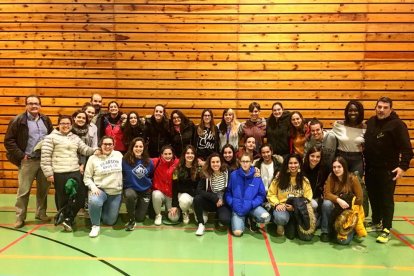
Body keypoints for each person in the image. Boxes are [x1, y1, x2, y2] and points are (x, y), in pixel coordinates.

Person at [364, 97, 413, 243]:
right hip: (371, 169)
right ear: (375, 107)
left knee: (386, 200)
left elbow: (407, 150)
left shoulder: (398, 125)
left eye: (385, 107)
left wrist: (403, 167)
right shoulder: (371, 122)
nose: (381, 110)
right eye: (379, 107)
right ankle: (376, 221)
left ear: (390, 109)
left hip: (388, 171)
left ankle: (386, 228)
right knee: (373, 197)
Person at [40, 115, 97, 232]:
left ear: (71, 125)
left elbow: (84, 149)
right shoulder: (50, 138)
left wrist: (95, 150)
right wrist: (49, 174)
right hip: (59, 172)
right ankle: (67, 219)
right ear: (58, 125)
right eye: (63, 123)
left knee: (80, 197)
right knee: (63, 198)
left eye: (68, 124)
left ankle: (66, 218)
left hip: (74, 170)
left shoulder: (75, 137)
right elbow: (45, 158)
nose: (65, 126)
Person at [4, 95, 54, 228]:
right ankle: (20, 217)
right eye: (30, 103)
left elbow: (52, 137)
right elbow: (9, 141)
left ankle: (41, 213)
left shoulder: (45, 120)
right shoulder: (18, 120)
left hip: (43, 160)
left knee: (43, 189)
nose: (34, 106)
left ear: (40, 105)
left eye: (36, 103)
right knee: (24, 191)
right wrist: (21, 155)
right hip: (28, 161)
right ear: (26, 105)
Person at [83, 136, 123, 238]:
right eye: (105, 144)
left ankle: (100, 210)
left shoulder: (119, 155)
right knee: (95, 200)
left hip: (115, 192)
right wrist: (93, 187)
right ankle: (95, 225)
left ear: (113, 145)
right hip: (100, 190)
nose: (107, 146)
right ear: (101, 145)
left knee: (109, 221)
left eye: (110, 144)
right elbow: (87, 177)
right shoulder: (93, 158)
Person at [320, 157, 364, 244]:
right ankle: (326, 231)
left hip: (348, 211)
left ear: (344, 167)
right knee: (326, 204)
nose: (336, 169)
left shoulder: (353, 178)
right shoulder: (331, 177)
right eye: (334, 167)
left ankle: (352, 229)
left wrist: (348, 206)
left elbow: (360, 199)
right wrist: (338, 200)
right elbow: (327, 194)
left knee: (342, 242)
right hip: (336, 208)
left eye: (339, 167)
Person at [267, 154, 313, 237]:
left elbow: (308, 197)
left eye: (295, 163)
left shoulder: (304, 180)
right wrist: (277, 204)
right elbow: (271, 194)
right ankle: (280, 224)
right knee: (281, 219)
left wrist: (295, 207)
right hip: (282, 207)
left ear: (299, 164)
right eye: (290, 163)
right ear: (287, 165)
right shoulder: (279, 178)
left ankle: (294, 224)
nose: (293, 165)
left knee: (293, 235)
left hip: (297, 209)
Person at [226, 153, 270, 236]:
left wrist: (252, 204)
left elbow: (261, 195)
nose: (245, 163)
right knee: (237, 233)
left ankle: (251, 218)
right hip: (237, 208)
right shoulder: (234, 175)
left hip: (251, 207)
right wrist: (232, 202)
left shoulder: (256, 176)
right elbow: (228, 192)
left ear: (251, 162)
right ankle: (244, 219)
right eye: (243, 161)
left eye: (247, 161)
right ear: (240, 162)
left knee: (266, 218)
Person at [193, 153, 231, 236]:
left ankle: (218, 216)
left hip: (223, 202)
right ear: (209, 164)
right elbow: (199, 190)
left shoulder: (227, 171)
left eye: (217, 162)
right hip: (212, 202)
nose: (215, 164)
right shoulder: (205, 173)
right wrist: (215, 199)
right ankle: (201, 224)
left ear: (221, 162)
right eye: (213, 162)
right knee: (197, 199)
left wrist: (255, 169)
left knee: (226, 220)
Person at [123, 137, 154, 231]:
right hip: (131, 189)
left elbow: (151, 175)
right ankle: (131, 220)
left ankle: (138, 207)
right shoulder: (124, 160)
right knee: (129, 195)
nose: (138, 148)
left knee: (140, 218)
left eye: (141, 146)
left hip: (145, 191)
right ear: (132, 147)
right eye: (136, 146)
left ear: (144, 148)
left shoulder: (149, 162)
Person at [332, 100, 366, 175]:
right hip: (341, 158)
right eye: (350, 110)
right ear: (346, 112)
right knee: (341, 184)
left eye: (356, 110)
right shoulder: (338, 125)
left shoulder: (365, 127)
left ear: (360, 112)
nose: (353, 113)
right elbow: (329, 136)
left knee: (356, 183)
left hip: (357, 159)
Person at [170, 145, 201, 224]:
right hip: (184, 196)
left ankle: (195, 210)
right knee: (173, 218)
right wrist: (174, 205)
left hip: (196, 197)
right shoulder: (177, 169)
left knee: (202, 220)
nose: (190, 155)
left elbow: (200, 188)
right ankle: (185, 211)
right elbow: (175, 188)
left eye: (192, 153)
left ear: (195, 155)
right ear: (184, 155)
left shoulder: (199, 169)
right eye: (187, 153)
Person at [151, 145, 180, 225]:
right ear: (161, 154)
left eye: (170, 154)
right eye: (165, 154)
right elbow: (143, 159)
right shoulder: (155, 162)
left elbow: (191, 160)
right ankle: (158, 215)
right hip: (160, 193)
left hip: (171, 196)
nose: (167, 156)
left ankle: (172, 211)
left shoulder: (178, 163)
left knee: (174, 218)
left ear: (173, 154)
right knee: (155, 194)